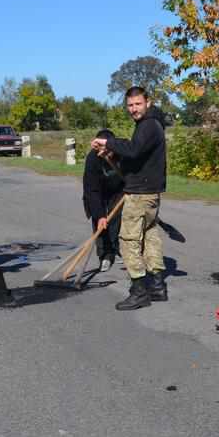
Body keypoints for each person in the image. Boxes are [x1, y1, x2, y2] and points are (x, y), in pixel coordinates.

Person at [90, 86, 168, 310]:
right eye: (130, 105)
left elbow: (133, 149)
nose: (134, 109)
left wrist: (108, 143)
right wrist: (112, 153)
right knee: (150, 237)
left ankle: (139, 291)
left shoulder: (148, 125)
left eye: (138, 104)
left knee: (128, 241)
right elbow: (137, 157)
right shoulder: (151, 125)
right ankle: (157, 286)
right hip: (149, 192)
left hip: (141, 194)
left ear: (148, 103)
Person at [82, 129, 124, 272]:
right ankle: (104, 255)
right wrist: (100, 215)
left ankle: (115, 249)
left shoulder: (122, 154)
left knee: (115, 218)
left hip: (117, 190)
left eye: (108, 149)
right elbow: (92, 190)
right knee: (99, 222)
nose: (106, 153)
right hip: (97, 191)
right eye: (101, 149)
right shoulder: (92, 159)